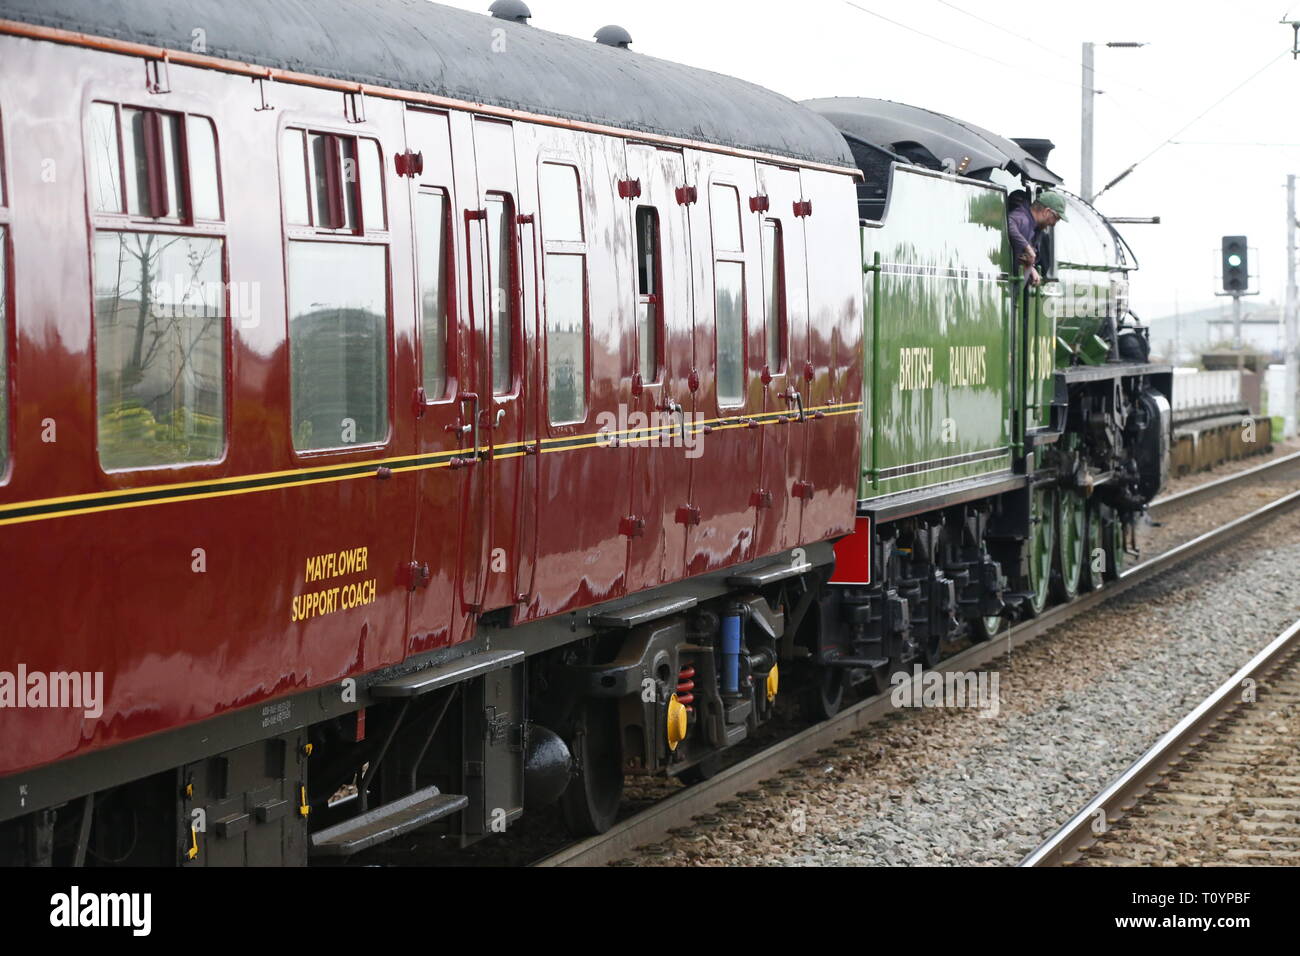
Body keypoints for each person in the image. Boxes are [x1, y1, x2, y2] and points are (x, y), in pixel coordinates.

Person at [1008, 190, 1068, 286]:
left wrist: (1030, 267)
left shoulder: (1034, 228)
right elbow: (1008, 223)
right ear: (1047, 212)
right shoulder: (1023, 220)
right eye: (1056, 218)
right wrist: (1027, 247)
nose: (1054, 224)